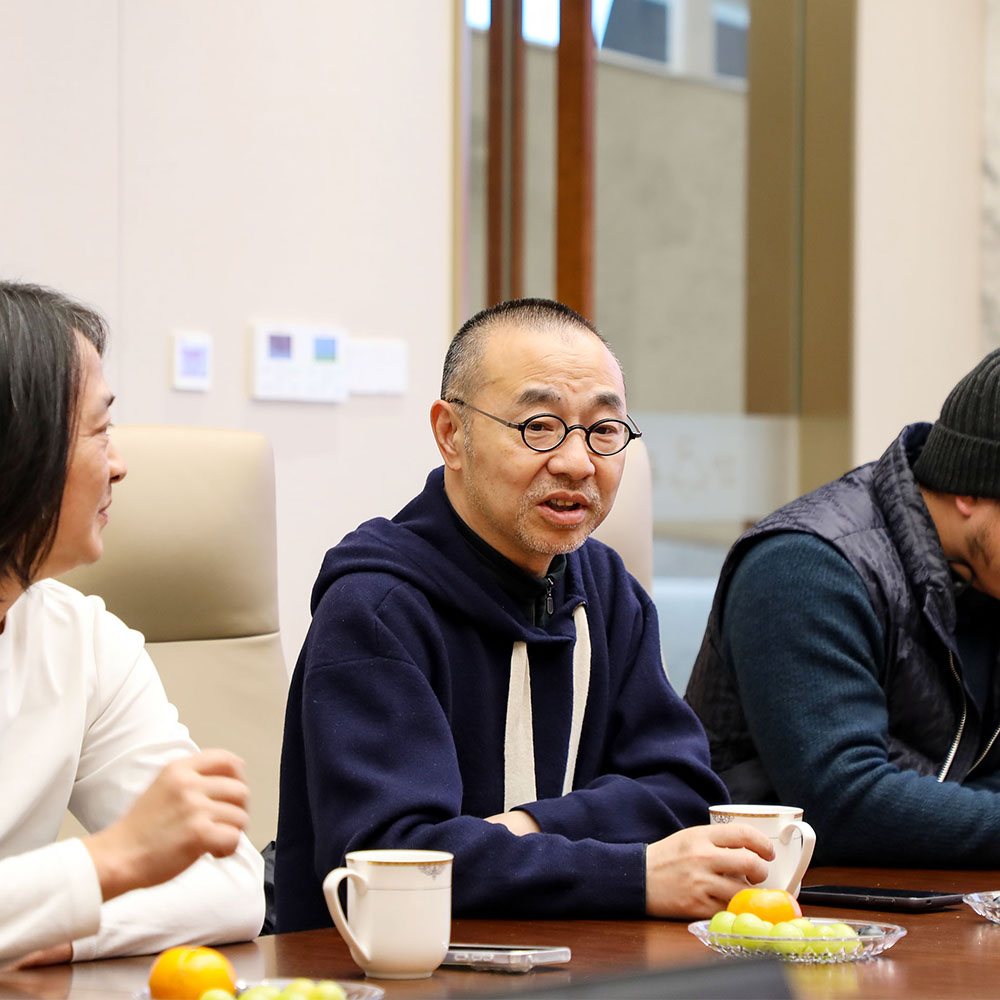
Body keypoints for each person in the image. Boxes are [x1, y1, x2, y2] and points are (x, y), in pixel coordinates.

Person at [274, 298, 772, 932]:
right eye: (539, 426)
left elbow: (684, 794)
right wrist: (631, 873)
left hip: (582, 959)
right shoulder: (378, 609)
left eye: (604, 430)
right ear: (451, 434)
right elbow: (394, 863)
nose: (577, 462)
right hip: (393, 969)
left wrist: (528, 825)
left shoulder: (604, 589)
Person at [0, 281, 264, 965]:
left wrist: (51, 928)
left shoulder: (84, 639)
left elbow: (229, 884)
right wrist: (109, 861)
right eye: (98, 432)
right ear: (18, 451)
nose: (119, 466)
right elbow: (131, 857)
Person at [686, 348, 1000, 866]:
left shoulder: (985, 579)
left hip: (932, 892)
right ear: (970, 489)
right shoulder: (805, 565)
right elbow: (842, 802)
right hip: (777, 896)